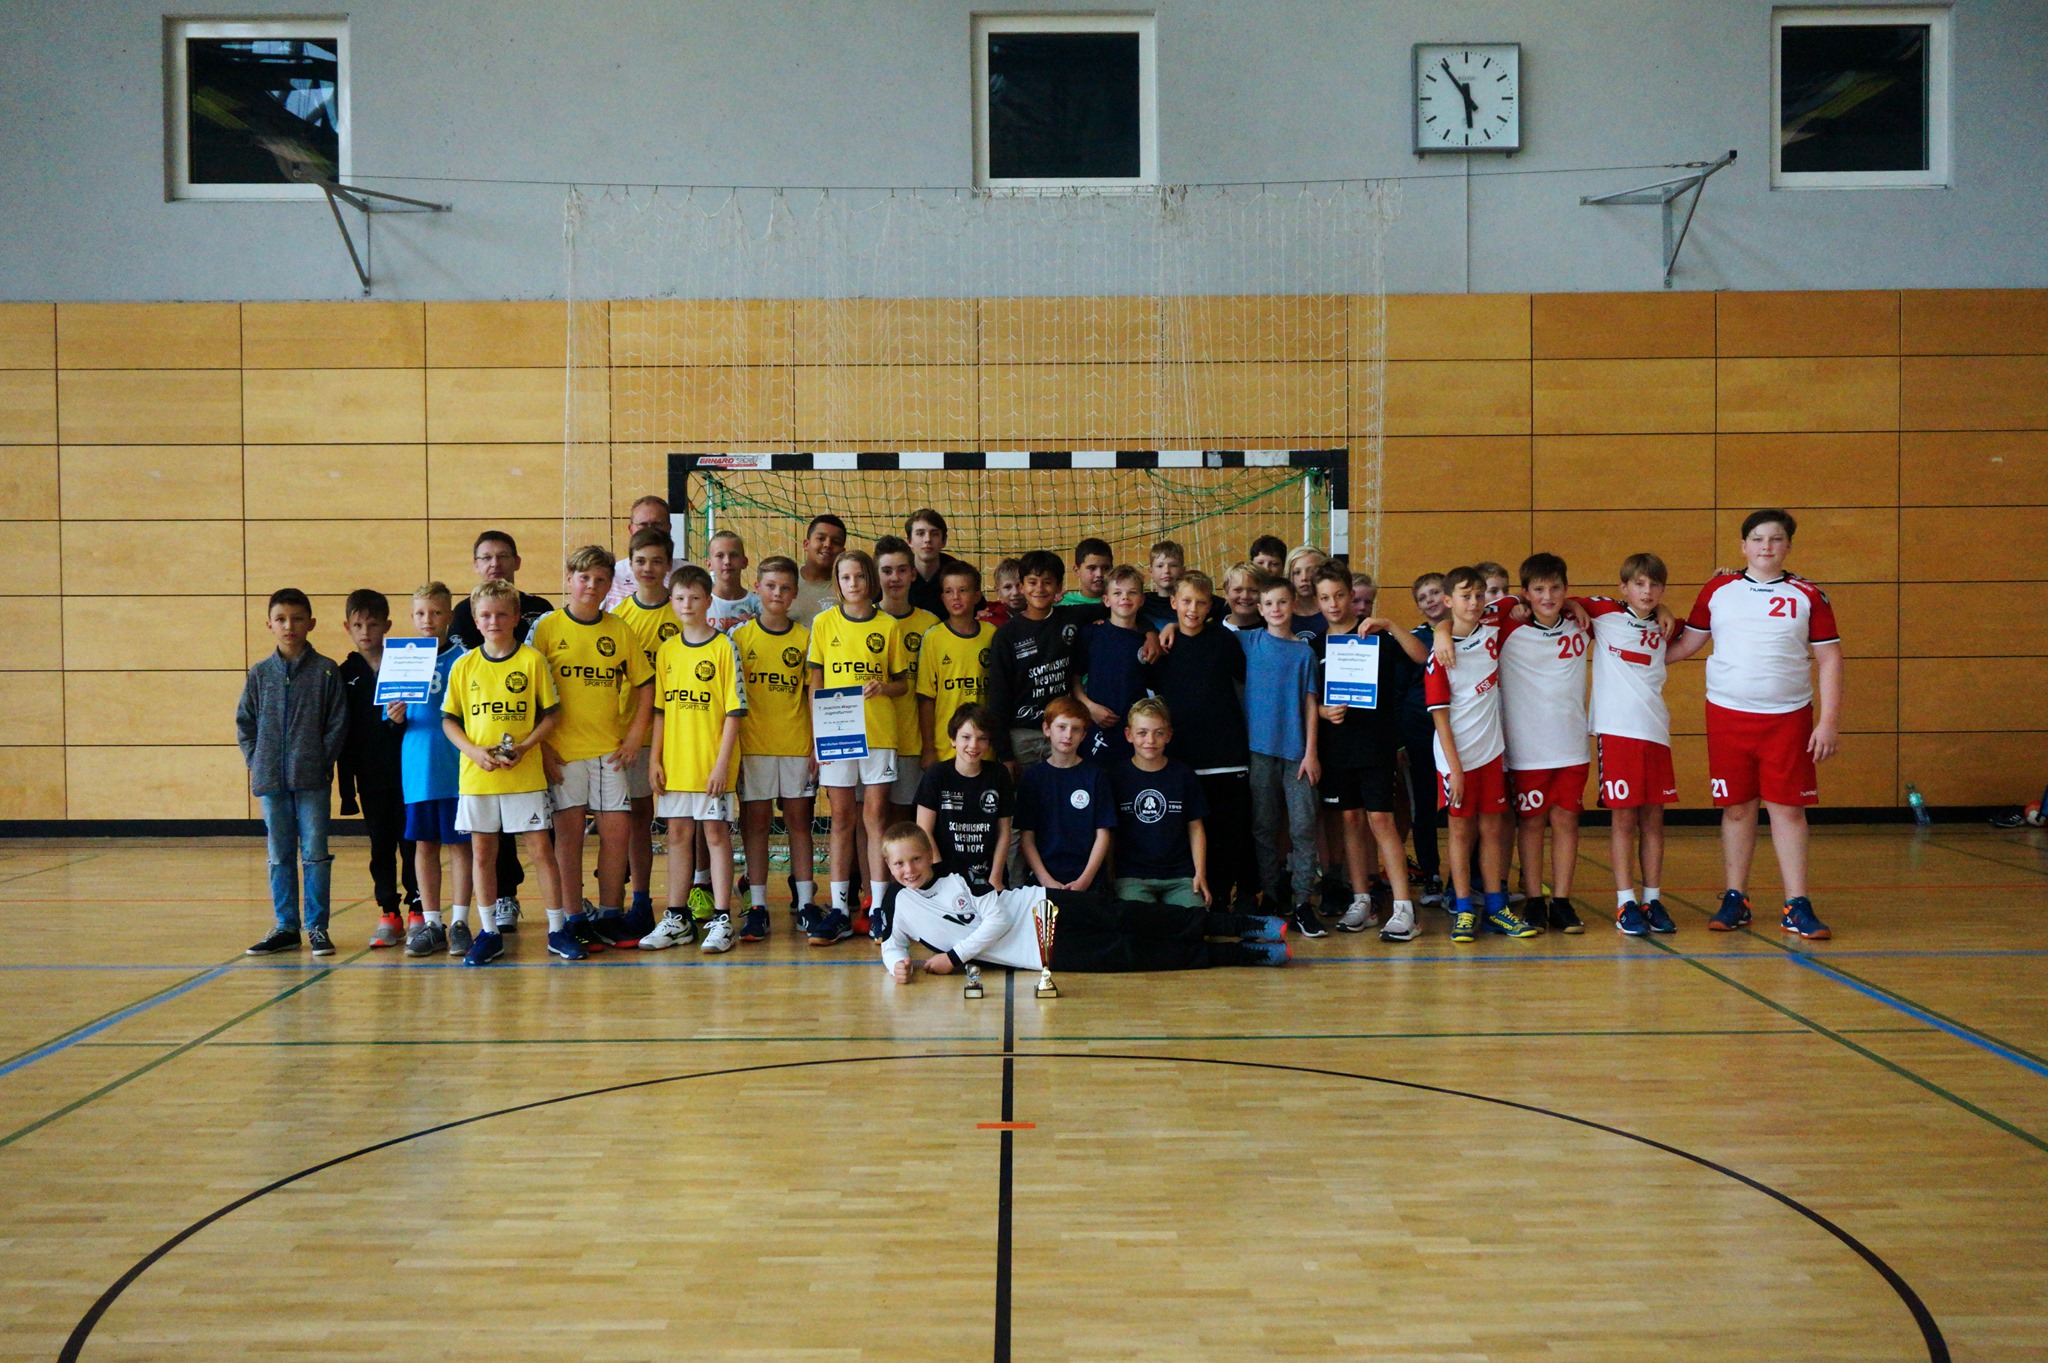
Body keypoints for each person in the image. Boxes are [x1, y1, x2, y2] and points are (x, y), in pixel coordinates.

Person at [1672, 508, 1844, 941]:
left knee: (1788, 809)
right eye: (1758, 539)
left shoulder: (1809, 595)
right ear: (1743, 546)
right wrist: (1632, 654)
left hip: (1788, 718)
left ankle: (1796, 904)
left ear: (1788, 546)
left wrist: (1828, 722)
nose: (1767, 546)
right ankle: (1736, 898)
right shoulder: (1718, 589)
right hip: (1727, 716)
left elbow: (1829, 658)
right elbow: (1687, 643)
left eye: (1776, 538)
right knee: (1736, 808)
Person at [876, 823, 1287, 982]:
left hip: (1043, 905)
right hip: (1041, 952)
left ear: (929, 854)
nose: (908, 870)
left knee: (1135, 916)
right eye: (898, 864)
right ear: (889, 866)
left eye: (915, 859)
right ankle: (1244, 954)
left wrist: (954, 957)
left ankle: (1244, 926)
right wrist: (896, 964)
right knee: (1135, 953)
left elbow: (996, 919)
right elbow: (891, 942)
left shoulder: (961, 875)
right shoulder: (899, 903)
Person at [529, 546, 655, 950]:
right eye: (584, 578)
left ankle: (610, 914)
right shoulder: (547, 628)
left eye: (601, 579)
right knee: (569, 839)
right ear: (570, 579)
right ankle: (574, 918)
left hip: (608, 751)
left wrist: (634, 737)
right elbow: (528, 690)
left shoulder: (618, 629)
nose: (592, 586)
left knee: (617, 834)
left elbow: (646, 685)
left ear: (609, 585)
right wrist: (542, 749)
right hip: (563, 753)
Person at [438, 579, 568, 966]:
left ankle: (557, 929)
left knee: (541, 850)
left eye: (501, 614)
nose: (493, 621)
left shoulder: (531, 661)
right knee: (483, 854)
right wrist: (474, 752)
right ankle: (489, 932)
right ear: (475, 620)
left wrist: (526, 747)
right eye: (486, 615)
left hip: (524, 776)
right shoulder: (464, 666)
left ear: (516, 618)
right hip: (478, 777)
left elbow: (552, 714)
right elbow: (449, 721)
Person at [1309, 563, 1430, 940]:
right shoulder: (1315, 646)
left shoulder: (1376, 636)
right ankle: (1362, 900)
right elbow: (1308, 699)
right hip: (1337, 748)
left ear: (1351, 595)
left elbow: (1422, 656)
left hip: (1376, 745)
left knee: (1381, 820)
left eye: (1339, 595)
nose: (1333, 604)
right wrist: (1322, 712)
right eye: (1325, 598)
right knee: (1350, 820)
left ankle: (1404, 908)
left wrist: (1390, 624)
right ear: (1317, 601)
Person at [1425, 566, 1538, 943]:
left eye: (1478, 595)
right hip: (1456, 758)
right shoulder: (1440, 654)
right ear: (1448, 600)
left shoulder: (1491, 621)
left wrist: (1520, 603)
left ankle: (1496, 908)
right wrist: (1455, 770)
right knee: (1461, 832)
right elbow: (1440, 718)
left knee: (1493, 830)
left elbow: (1517, 597)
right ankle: (1462, 909)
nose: (1474, 602)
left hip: (1491, 753)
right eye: (1465, 596)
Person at [448, 529, 552, 933]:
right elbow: (452, 708)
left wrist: (531, 744)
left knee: (540, 841)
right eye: (486, 557)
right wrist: (474, 749)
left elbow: (550, 701)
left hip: (530, 753)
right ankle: (496, 914)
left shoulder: (536, 630)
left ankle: (560, 917)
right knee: (485, 846)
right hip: (480, 758)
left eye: (503, 556)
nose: (495, 564)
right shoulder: (463, 636)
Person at [807, 547, 910, 942]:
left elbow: (902, 684)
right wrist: (817, 734)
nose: (853, 584)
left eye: (859, 576)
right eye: (845, 577)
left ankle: (878, 906)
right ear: (837, 582)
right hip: (837, 734)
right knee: (840, 819)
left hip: (879, 734)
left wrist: (883, 687)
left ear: (871, 580)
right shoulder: (824, 623)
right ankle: (838, 909)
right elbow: (816, 682)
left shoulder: (887, 625)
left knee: (876, 818)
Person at [239, 588, 349, 957]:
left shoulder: (326, 670)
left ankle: (317, 927)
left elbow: (337, 723)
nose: (289, 626)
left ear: (311, 623)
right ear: (269, 625)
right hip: (271, 780)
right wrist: (257, 760)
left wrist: (320, 761)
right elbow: (245, 723)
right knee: (279, 854)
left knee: (315, 853)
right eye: (281, 619)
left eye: (297, 618)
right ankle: (286, 926)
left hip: (312, 780)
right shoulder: (259, 674)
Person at [642, 564, 747, 952]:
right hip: (676, 765)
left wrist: (722, 765)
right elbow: (660, 711)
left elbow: (734, 712)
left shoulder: (724, 647)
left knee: (716, 836)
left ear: (708, 601)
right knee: (677, 836)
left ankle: (722, 918)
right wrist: (655, 759)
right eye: (680, 598)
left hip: (710, 766)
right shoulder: (667, 650)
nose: (687, 605)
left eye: (695, 598)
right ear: (671, 601)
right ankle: (677, 918)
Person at [1578, 554, 1682, 936]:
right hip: (1617, 731)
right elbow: (1561, 600)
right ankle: (1625, 901)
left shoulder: (1663, 624)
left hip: (1655, 731)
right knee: (1623, 820)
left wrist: (1666, 611)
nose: (1647, 591)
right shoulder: (1605, 613)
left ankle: (1652, 899)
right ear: (1624, 587)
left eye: (1654, 585)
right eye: (1639, 584)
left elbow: (1699, 631)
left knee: (1653, 820)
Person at [1147, 572, 1256, 912]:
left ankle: (1224, 897)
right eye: (1186, 601)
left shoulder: (1224, 641)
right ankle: (1194, 896)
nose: (1192, 609)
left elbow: (1250, 682)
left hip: (1226, 757)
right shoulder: (1163, 647)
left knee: (1229, 831)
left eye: (1200, 603)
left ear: (1211, 606)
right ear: (1173, 603)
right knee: (1189, 831)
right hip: (1182, 758)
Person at [1496, 553, 1593, 935]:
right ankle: (1535, 899)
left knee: (1566, 821)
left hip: (1571, 743)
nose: (1548, 596)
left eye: (1555, 588)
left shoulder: (1581, 622)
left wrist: (1575, 604)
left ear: (1566, 589)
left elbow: (1627, 606)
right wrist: (1513, 604)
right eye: (1538, 589)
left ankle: (1562, 902)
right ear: (1525, 592)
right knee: (1532, 823)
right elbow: (1463, 615)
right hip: (1527, 747)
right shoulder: (1508, 625)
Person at [733, 555, 818, 941]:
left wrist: (816, 745)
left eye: (785, 588)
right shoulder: (739, 638)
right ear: (757, 588)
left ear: (795, 593)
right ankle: (757, 906)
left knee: (800, 824)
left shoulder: (806, 638)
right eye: (770, 586)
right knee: (756, 825)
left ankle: (806, 904)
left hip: (796, 745)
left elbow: (813, 696)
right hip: (753, 747)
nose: (778, 593)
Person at [335, 588, 418, 948]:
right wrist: (347, 789)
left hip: (409, 772)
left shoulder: (406, 665)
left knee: (412, 843)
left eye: (372, 624)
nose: (365, 632)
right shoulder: (344, 674)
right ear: (347, 627)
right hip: (370, 776)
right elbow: (342, 734)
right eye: (358, 625)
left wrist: (401, 720)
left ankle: (418, 909)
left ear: (387, 625)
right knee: (380, 846)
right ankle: (389, 912)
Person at [609, 526, 681, 934]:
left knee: (684, 821)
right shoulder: (619, 617)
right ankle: (640, 900)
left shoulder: (683, 610)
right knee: (637, 818)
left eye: (656, 561)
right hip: (632, 733)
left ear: (669, 565)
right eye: (640, 561)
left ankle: (693, 894)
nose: (648, 568)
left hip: (679, 733)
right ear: (630, 565)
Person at [1240, 575, 1322, 933]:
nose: (1276, 609)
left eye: (1282, 602)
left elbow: (1310, 704)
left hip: (1297, 754)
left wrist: (1311, 752)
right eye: (1269, 603)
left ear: (1293, 605)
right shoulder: (1249, 642)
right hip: (1259, 752)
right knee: (1264, 826)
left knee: (1303, 826)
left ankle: (1302, 901)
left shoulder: (1304, 652)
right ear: (1260, 609)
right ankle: (1271, 895)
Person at [393, 583, 472, 959]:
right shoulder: (401, 660)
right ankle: (432, 922)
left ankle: (460, 922)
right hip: (418, 769)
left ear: (449, 616)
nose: (429, 620)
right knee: (424, 845)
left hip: (457, 768)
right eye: (422, 613)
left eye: (436, 612)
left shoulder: (465, 659)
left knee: (460, 845)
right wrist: (394, 715)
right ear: (412, 617)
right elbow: (393, 718)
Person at [985, 549, 1109, 771]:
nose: (1039, 589)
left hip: (1062, 732)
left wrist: (1150, 632)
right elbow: (998, 697)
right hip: (1021, 738)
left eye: (1047, 582)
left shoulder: (1071, 617)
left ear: (1059, 587)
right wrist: (1004, 754)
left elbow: (1118, 606)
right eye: (1032, 582)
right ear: (1022, 586)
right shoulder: (1006, 635)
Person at [1109, 698, 1210, 908]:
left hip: (1179, 876)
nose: (1150, 740)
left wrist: (1200, 874)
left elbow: (1195, 827)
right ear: (1129, 735)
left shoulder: (1183, 775)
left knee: (1196, 917)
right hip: (1132, 876)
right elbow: (1108, 832)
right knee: (1136, 920)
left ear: (1169, 735)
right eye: (1142, 733)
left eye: (1159, 733)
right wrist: (1110, 877)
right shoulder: (1115, 777)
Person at [1016, 697, 1116, 892]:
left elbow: (1103, 834)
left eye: (1076, 729)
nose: (1068, 735)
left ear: (1084, 734)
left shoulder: (1096, 776)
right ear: (1047, 729)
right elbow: (1027, 837)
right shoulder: (1033, 778)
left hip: (1088, 880)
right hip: (1043, 880)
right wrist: (1046, 881)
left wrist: (1084, 881)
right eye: (1061, 727)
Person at [1395, 571, 1451, 905]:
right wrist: (1401, 741)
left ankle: (1466, 880)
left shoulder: (1469, 632)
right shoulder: (1412, 640)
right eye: (1422, 597)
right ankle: (1431, 875)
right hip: (1420, 734)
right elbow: (1399, 692)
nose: (1430, 600)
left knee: (1463, 809)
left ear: (1448, 596)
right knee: (1424, 807)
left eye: (1435, 593)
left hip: (1462, 733)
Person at [876, 534, 941, 816]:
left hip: (914, 741)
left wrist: (929, 746)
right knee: (870, 817)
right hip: (873, 740)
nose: (895, 578)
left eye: (902, 570)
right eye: (887, 571)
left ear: (913, 574)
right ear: (876, 575)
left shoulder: (930, 624)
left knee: (904, 819)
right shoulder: (864, 621)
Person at [914, 704, 1013, 888]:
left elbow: (1004, 833)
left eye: (982, 738)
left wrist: (995, 879)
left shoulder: (999, 774)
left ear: (989, 743)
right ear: (953, 739)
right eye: (966, 737)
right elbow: (924, 831)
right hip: (944, 876)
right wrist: (943, 879)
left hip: (989, 875)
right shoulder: (936, 775)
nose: (973, 745)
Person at [916, 560, 996, 765]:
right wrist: (928, 748)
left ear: (977, 596)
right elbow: (926, 698)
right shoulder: (933, 637)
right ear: (942, 597)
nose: (955, 597)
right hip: (946, 749)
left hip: (984, 748)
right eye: (949, 591)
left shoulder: (992, 634)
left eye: (963, 590)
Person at [1071, 564, 1151, 763]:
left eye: (1132, 592)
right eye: (1117, 593)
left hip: (1135, 731)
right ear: (1106, 600)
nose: (1125, 598)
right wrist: (1089, 707)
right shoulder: (1091, 634)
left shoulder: (1148, 643)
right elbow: (1075, 679)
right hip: (1097, 725)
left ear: (1141, 600)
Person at [601, 495, 673, 611]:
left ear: (669, 527)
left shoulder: (688, 574)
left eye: (657, 525)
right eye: (643, 525)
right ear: (631, 529)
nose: (650, 530)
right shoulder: (611, 575)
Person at [791, 513, 847, 627]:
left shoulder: (847, 588)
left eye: (836, 542)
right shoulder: (786, 583)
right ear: (806, 544)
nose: (828, 544)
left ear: (842, 551)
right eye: (821, 538)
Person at [904, 507, 962, 617]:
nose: (927, 539)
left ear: (944, 541)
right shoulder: (899, 573)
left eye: (934, 534)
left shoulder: (958, 573)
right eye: (920, 533)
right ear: (909, 541)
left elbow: (978, 608)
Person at [704, 529, 761, 634]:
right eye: (720, 556)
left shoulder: (758, 605)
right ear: (709, 564)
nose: (727, 561)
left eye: (733, 555)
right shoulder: (701, 605)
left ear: (744, 562)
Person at [1284, 546, 1329, 645]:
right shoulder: (1282, 612)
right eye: (1297, 572)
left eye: (1311, 571)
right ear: (1289, 576)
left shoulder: (1332, 609)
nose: (1304, 578)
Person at [1057, 537, 1115, 609]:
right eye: (1092, 568)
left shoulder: (1118, 602)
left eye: (1105, 568)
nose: (1099, 574)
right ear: (1077, 571)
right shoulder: (1061, 603)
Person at [1141, 539, 1185, 628]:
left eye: (1173, 565)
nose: (1166, 571)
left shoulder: (1191, 601)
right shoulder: (1142, 602)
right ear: (1151, 572)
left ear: (1183, 571)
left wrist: (1176, 626)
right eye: (1160, 566)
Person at [1218, 562, 1263, 632]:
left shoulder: (1274, 631)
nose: (1245, 596)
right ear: (1226, 593)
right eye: (1238, 590)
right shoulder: (1213, 633)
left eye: (1253, 590)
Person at [985, 557, 1024, 628]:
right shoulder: (989, 619)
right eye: (1007, 587)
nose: (1015, 592)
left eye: (1020, 585)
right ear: (998, 591)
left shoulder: (1040, 615)